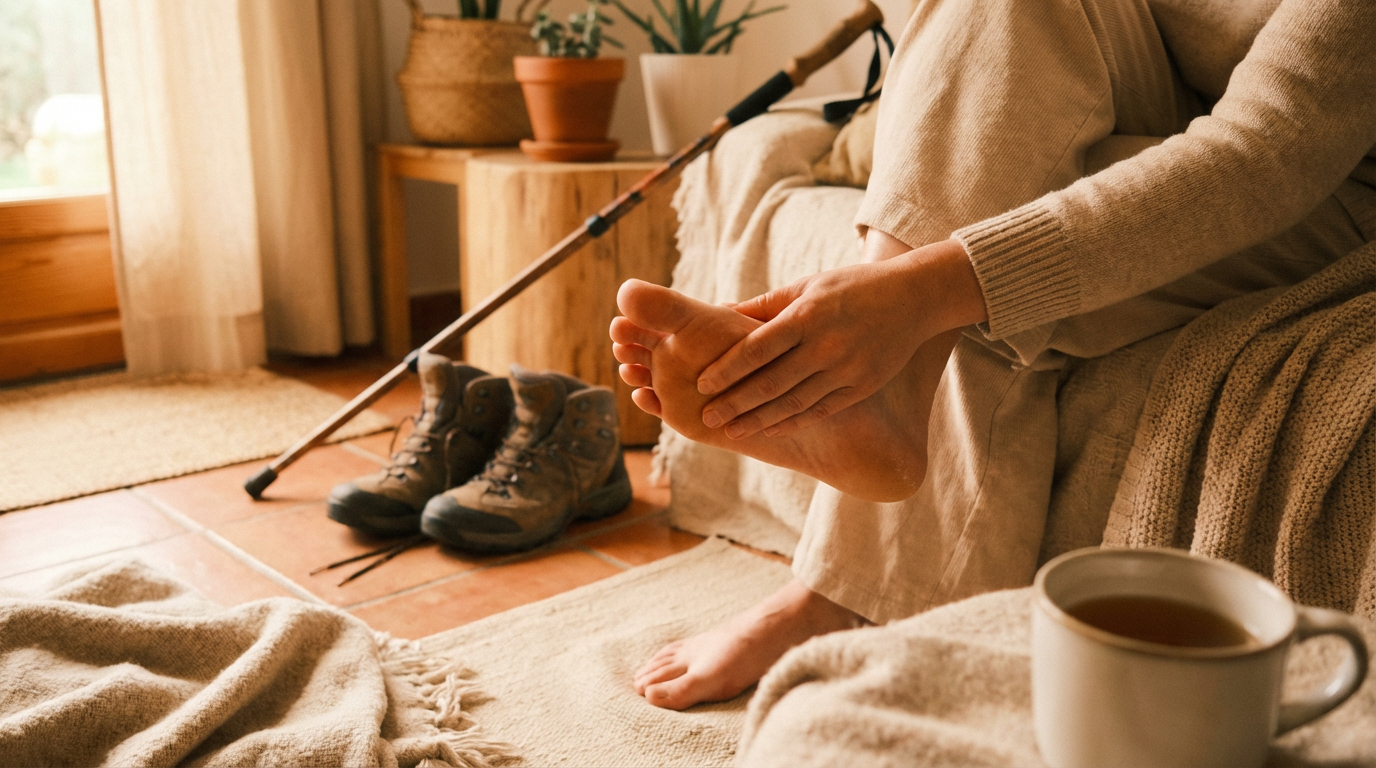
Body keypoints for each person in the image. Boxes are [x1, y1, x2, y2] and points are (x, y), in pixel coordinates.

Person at [610, 0, 1376, 710]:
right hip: (1176, 106)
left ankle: (837, 589)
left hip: (1331, 184)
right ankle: (882, 406)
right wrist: (909, 285)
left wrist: (922, 290)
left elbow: (1270, 150)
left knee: (986, 221)